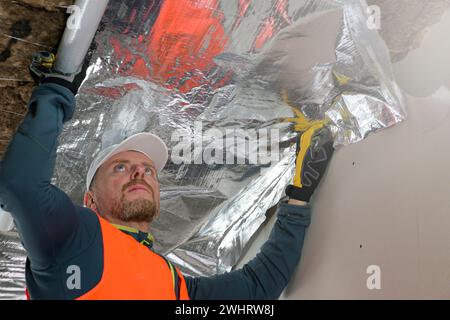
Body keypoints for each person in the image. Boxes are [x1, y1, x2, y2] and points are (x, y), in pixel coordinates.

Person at [0, 52, 334, 300]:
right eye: (121, 167)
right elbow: (21, 184)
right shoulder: (75, 235)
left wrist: (299, 197)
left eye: (148, 171)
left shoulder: (175, 286)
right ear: (90, 200)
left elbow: (257, 289)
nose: (139, 172)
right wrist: (56, 92)